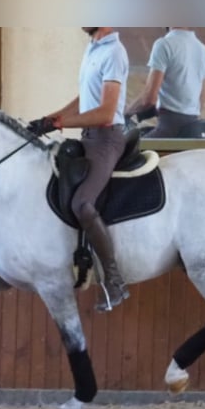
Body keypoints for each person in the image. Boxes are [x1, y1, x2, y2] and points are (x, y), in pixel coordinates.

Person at [28, 27, 130, 311]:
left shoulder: (114, 52)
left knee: (83, 203)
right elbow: (85, 98)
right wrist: (50, 118)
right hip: (87, 136)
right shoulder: (93, 48)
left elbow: (105, 113)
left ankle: (114, 282)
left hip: (106, 139)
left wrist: (60, 124)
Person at [125, 27, 205, 138]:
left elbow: (149, 99)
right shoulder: (202, 49)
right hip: (194, 128)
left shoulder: (164, 45)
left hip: (170, 129)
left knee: (129, 148)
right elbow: (201, 99)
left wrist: (127, 112)